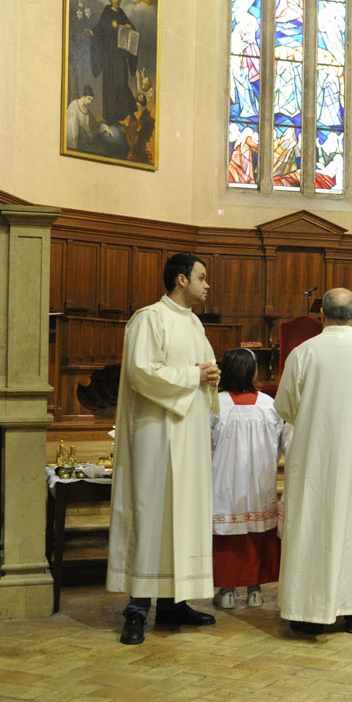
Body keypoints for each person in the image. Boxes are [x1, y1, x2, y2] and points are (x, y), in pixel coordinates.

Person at [108, 254, 221, 645]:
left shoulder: (194, 323)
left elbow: (202, 371)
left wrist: (210, 376)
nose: (207, 285)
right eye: (202, 278)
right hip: (155, 435)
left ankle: (175, 602)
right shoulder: (148, 319)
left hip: (189, 435)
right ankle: (137, 608)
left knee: (183, 514)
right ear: (181, 279)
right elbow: (141, 372)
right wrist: (194, 375)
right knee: (152, 513)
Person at [275, 288, 352, 634]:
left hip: (313, 457)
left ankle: (307, 612)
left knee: (310, 527)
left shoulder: (303, 353)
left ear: (321, 316)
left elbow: (285, 406)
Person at [211, 348, 291, 609]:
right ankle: (255, 590)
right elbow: (285, 443)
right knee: (258, 531)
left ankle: (227, 591)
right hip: (259, 482)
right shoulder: (269, 405)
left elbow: (204, 444)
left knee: (228, 532)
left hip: (225, 484)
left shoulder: (215, 404)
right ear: (253, 372)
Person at [85, 0, 137, 125]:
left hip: (120, 53)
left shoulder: (121, 13)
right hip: (109, 54)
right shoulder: (107, 12)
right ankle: (110, 117)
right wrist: (93, 32)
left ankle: (125, 112)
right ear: (110, 0)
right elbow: (99, 27)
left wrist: (129, 26)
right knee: (109, 84)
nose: (116, 0)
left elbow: (130, 25)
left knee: (121, 81)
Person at [65, 86, 97, 151]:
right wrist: (73, 143)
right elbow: (72, 127)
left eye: (91, 100)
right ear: (84, 96)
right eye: (89, 99)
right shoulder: (74, 105)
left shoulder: (86, 109)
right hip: (72, 137)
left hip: (81, 138)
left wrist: (88, 133)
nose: (90, 102)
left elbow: (85, 124)